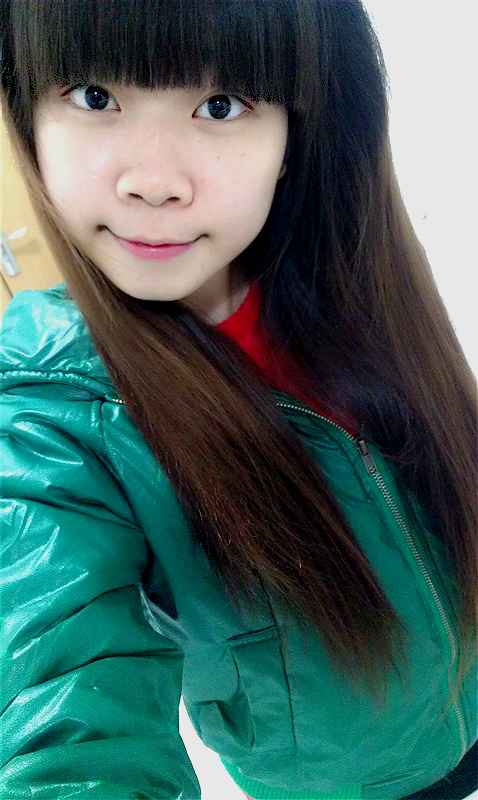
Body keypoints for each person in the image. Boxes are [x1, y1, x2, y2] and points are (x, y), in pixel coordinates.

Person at [1, 1, 476, 798]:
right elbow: (60, 704)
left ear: (294, 137)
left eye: (221, 104)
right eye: (94, 96)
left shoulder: (354, 280)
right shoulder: (50, 403)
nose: (154, 182)